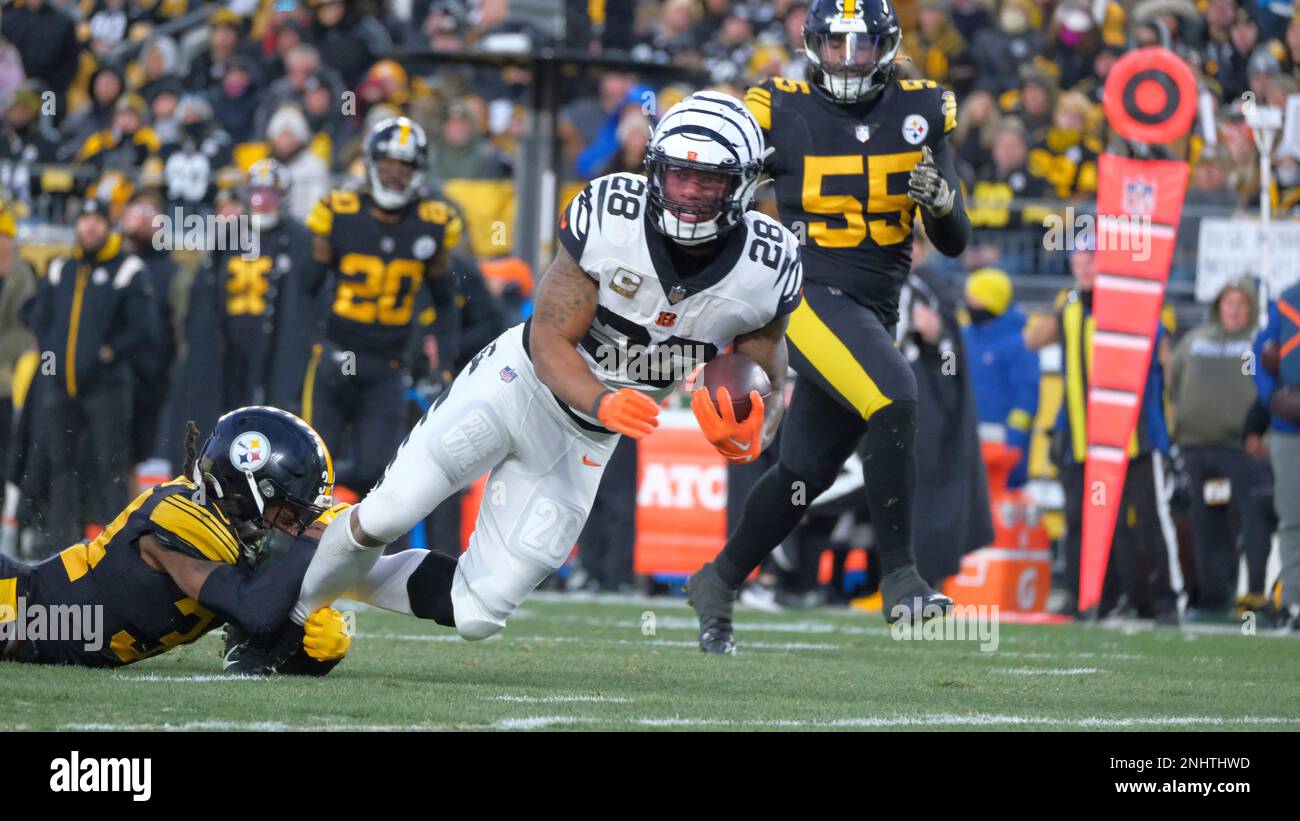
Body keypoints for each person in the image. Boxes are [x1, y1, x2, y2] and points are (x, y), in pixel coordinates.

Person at [287, 91, 801, 646]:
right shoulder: (611, 215)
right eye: (680, 176)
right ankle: (281, 614)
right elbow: (549, 337)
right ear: (655, 171)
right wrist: (604, 399)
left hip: (586, 440)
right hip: (521, 385)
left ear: (744, 185)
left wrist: (753, 433)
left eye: (711, 181)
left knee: (477, 613)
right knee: (388, 512)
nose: (692, 195)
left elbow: (768, 374)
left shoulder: (766, 265)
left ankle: (317, 559)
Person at [689, 0, 971, 653]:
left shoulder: (922, 108)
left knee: (803, 473)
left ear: (887, 47)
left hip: (873, 308)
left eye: (862, 45)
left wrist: (943, 202)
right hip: (808, 293)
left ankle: (718, 580)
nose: (849, 59)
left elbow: (954, 241)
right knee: (895, 396)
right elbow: (718, 184)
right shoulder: (778, 108)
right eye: (837, 45)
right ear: (814, 45)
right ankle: (901, 578)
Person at [0, 407, 349, 672]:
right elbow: (255, 610)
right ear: (253, 489)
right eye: (289, 513)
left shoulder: (238, 535)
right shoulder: (181, 515)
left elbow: (262, 647)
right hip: (17, 608)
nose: (295, 528)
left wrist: (315, 652)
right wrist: (320, 536)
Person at [301, 116, 463, 498]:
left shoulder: (433, 223)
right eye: (388, 164)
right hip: (335, 358)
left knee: (380, 476)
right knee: (312, 469)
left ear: (419, 172)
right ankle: (303, 553)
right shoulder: (338, 211)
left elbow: (446, 303)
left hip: (388, 367)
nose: (394, 174)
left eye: (404, 166)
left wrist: (444, 365)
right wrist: (313, 343)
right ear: (371, 164)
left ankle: (361, 551)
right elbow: (305, 287)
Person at [1028, 243, 1181, 623]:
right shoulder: (1070, 307)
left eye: (1090, 260)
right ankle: (1089, 599)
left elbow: (1166, 360)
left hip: (1136, 436)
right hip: (1082, 436)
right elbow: (1032, 341)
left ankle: (1166, 602)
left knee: (1148, 519)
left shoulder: (1135, 301)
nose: (1082, 268)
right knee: (1082, 520)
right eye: (1076, 262)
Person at [20, 200, 159, 551]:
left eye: (97, 220)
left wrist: (105, 355)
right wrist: (50, 374)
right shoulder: (62, 268)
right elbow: (43, 323)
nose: (90, 227)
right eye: (84, 219)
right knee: (61, 468)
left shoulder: (127, 268)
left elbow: (143, 329)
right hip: (61, 391)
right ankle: (58, 551)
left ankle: (114, 555)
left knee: (108, 469)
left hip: (106, 390)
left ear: (108, 225)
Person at [1169, 279, 1267, 620]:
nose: (1234, 309)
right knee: (1207, 525)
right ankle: (1212, 599)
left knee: (1249, 526)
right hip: (1199, 450)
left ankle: (1253, 601)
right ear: (1218, 306)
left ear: (1251, 308)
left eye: (1241, 303)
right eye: (1228, 303)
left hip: (1242, 452)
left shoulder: (1258, 342)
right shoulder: (1195, 341)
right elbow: (1172, 381)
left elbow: (1266, 387)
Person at [962, 268, 1040, 488]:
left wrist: (1014, 438)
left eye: (972, 298)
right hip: (966, 441)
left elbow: (1027, 394)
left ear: (989, 300)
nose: (967, 303)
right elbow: (949, 371)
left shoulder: (1020, 342)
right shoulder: (963, 337)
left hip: (1001, 446)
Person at [1254, 277, 1300, 626]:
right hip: (1289, 429)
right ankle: (1296, 603)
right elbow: (1257, 352)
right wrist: (1271, 397)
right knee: (1292, 519)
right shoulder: (1287, 298)